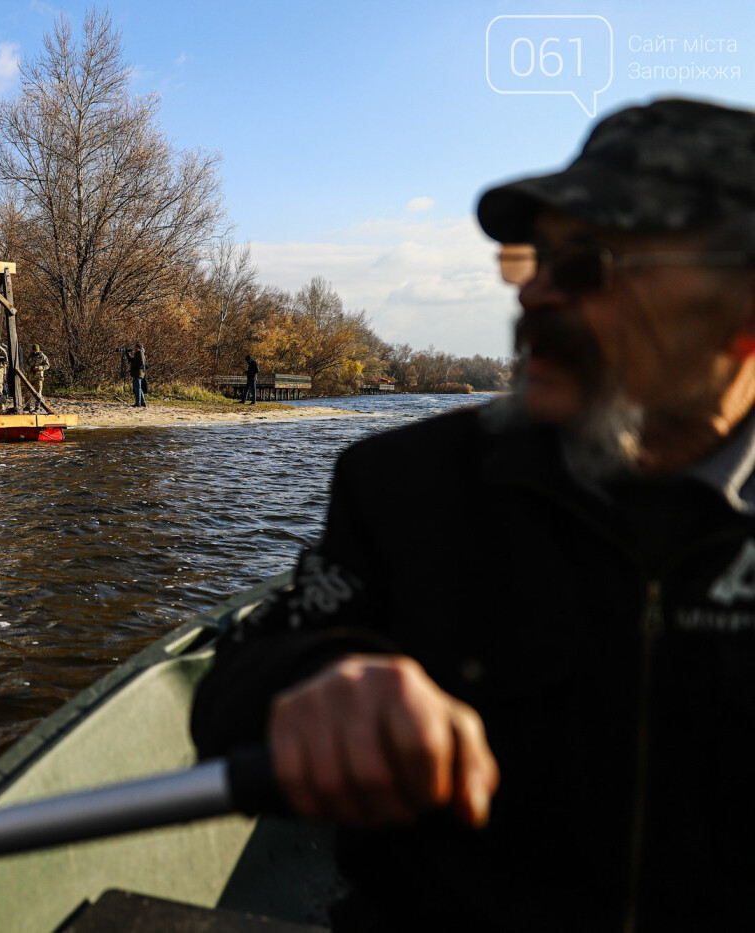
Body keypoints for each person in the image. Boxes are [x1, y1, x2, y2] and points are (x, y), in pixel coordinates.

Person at [191, 98, 755, 932]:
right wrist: (318, 677)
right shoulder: (407, 483)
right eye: (534, 261)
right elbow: (237, 677)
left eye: (589, 267)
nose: (536, 297)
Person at [26, 343, 51, 410]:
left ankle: (37, 406)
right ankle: (27, 406)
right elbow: (26, 365)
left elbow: (47, 366)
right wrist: (29, 368)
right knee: (28, 392)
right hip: (30, 376)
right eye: (34, 351)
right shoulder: (29, 356)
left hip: (39, 377)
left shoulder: (43, 356)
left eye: (36, 351)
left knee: (38, 391)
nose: (35, 352)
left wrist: (39, 368)